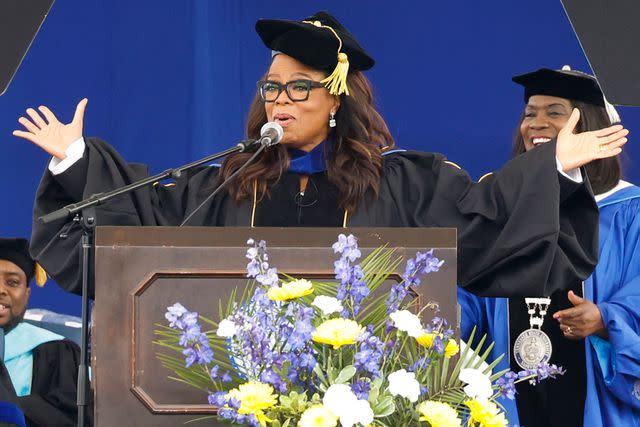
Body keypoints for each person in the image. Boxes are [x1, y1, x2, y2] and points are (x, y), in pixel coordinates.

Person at [13, 12, 627, 301]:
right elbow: (142, 224)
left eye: (299, 86)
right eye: (272, 87)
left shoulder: (408, 186)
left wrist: (554, 168)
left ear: (334, 99)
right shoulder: (225, 186)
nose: (280, 99)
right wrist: (74, 162)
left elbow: (485, 228)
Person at [459, 67, 640, 426]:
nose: (535, 123)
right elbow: (472, 288)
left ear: (587, 127)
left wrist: (606, 319)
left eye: (554, 112)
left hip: (596, 405)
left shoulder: (630, 212)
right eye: (529, 114)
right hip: (511, 405)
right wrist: (444, 315)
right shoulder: (504, 209)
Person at [0, 238, 89, 426]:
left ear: (27, 294)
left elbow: (68, 416)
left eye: (12, 282)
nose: (1, 290)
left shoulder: (55, 351)